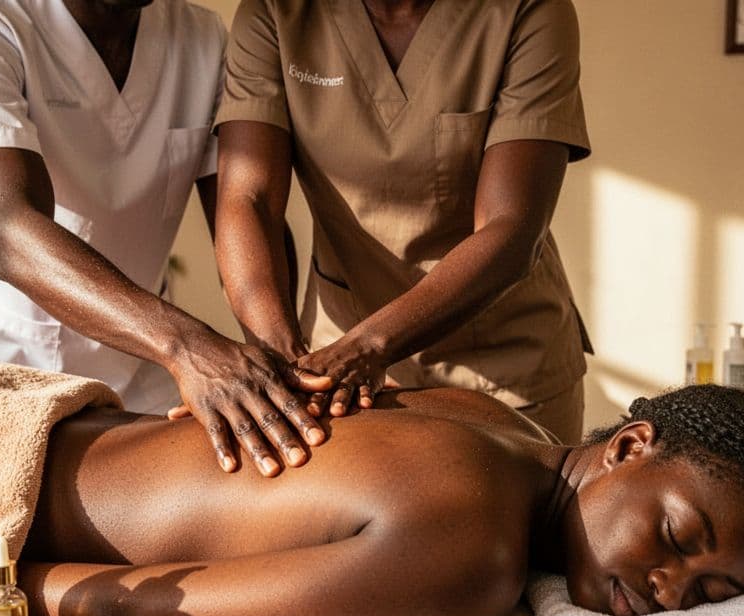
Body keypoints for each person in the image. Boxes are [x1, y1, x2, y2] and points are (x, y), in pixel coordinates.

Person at [20, 384, 744, 616]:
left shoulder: (497, 422)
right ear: (629, 446)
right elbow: (123, 606)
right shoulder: (473, 551)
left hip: (34, 417)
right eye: (677, 538)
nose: (671, 592)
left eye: (710, 594)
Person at [0, 0, 328, 476]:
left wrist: (280, 359)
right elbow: (9, 231)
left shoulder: (201, 37)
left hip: (141, 367)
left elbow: (245, 209)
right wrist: (190, 347)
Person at [210, 0, 595, 443]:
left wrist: (369, 347)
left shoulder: (528, 11)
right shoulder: (276, 13)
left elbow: (512, 227)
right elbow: (247, 199)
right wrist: (285, 367)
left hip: (504, 370)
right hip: (338, 367)